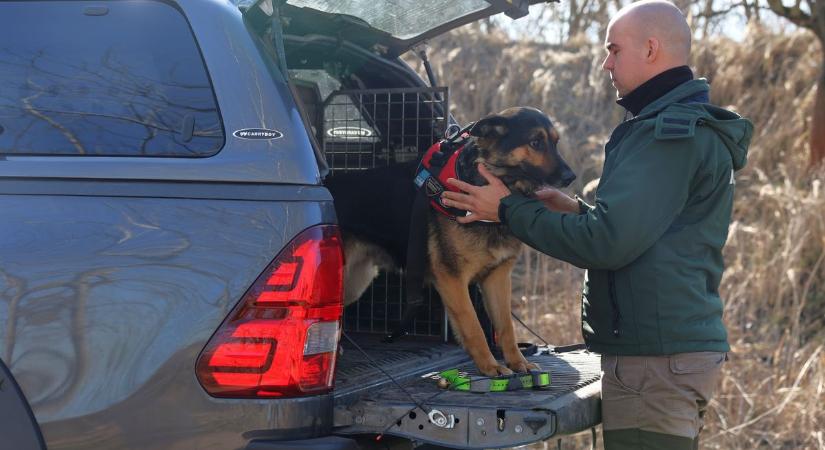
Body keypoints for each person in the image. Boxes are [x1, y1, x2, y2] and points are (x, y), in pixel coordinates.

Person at [440, 1, 753, 448]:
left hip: (655, 364)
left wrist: (508, 210)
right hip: (665, 356)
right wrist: (577, 210)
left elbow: (608, 244)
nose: (606, 62)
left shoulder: (667, 136)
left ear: (650, 49)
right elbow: (647, 232)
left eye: (613, 49)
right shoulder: (672, 127)